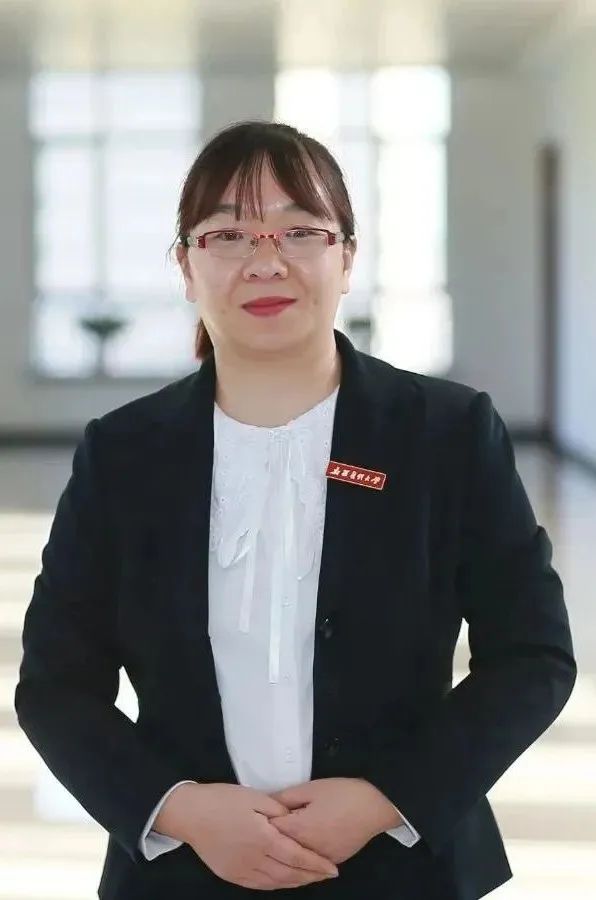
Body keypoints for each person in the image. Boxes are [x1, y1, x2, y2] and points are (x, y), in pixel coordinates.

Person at [14, 120, 576, 900]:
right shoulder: (123, 454)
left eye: (300, 231)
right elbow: (56, 686)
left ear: (347, 256)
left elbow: (531, 657)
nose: (266, 261)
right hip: (184, 872)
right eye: (228, 235)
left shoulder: (445, 434)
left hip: (404, 868)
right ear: (185, 266)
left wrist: (385, 799)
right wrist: (182, 811)